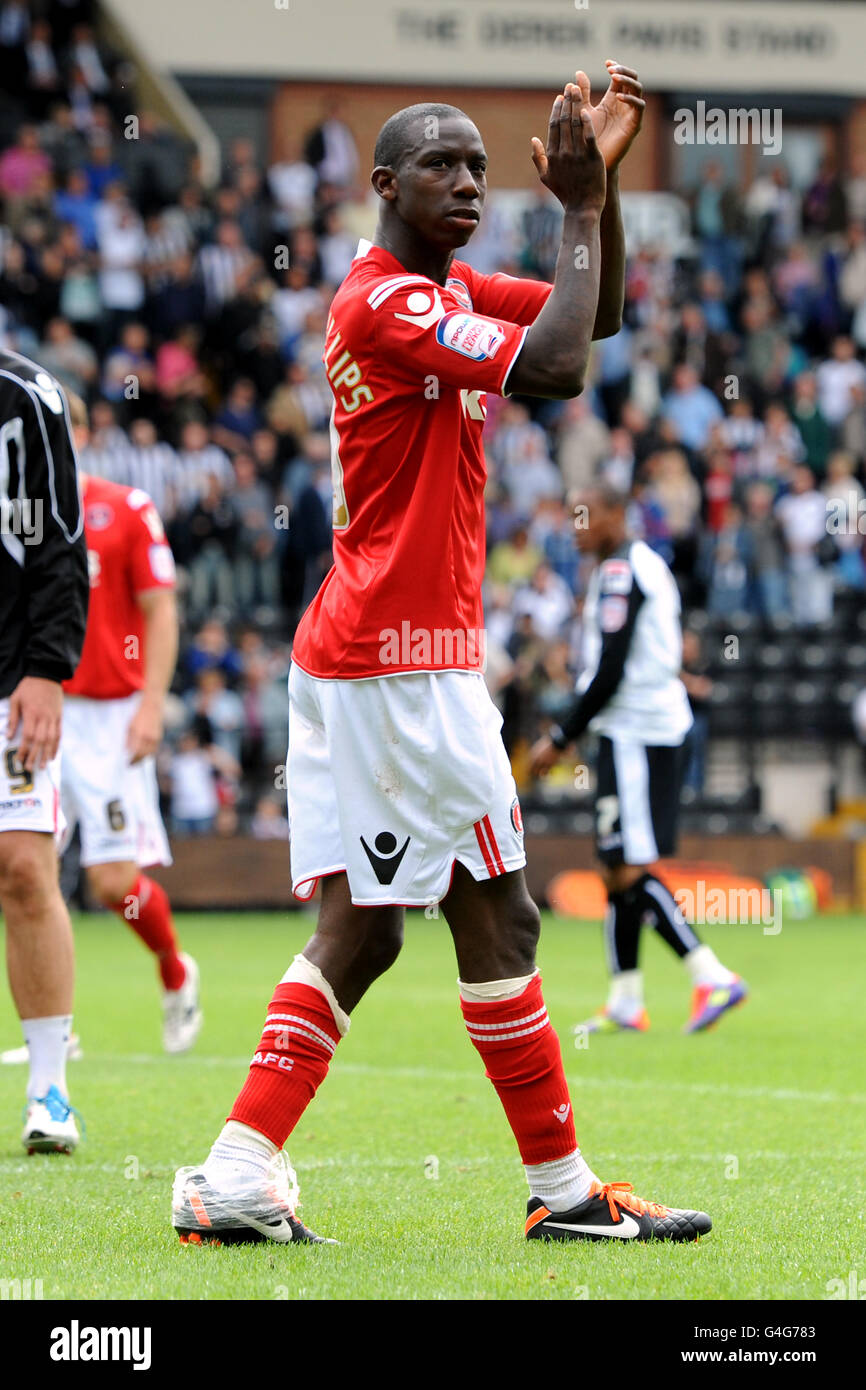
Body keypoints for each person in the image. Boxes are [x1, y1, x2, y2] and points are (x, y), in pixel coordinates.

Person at [172, 67, 715, 1248]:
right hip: (402, 665)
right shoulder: (389, 305)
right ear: (381, 186)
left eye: (480, 163)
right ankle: (566, 1193)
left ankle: (235, 1173)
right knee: (504, 919)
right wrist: (573, 210)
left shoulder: (445, 289)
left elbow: (599, 313)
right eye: (441, 163)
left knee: (362, 933)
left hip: (369, 655)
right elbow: (560, 365)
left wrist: (600, 190)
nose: (468, 180)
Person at [530, 485, 748, 1035]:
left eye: (588, 513)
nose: (577, 524)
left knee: (628, 865)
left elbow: (613, 666)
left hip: (637, 732)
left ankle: (711, 974)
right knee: (613, 864)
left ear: (615, 516)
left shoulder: (623, 571)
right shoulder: (627, 567)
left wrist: (560, 734)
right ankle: (627, 999)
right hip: (630, 728)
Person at [58, 396, 202, 1053]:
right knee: (21, 868)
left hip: (111, 718)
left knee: (113, 885)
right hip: (37, 711)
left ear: (84, 434)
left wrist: (150, 706)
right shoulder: (19, 518)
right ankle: (50, 1032)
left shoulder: (125, 508)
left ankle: (175, 971)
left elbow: (161, 612)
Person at [0, 348, 89, 1152]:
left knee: (25, 869)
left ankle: (49, 1089)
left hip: (9, 681)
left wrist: (47, 671)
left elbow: (63, 541)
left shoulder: (30, 396)